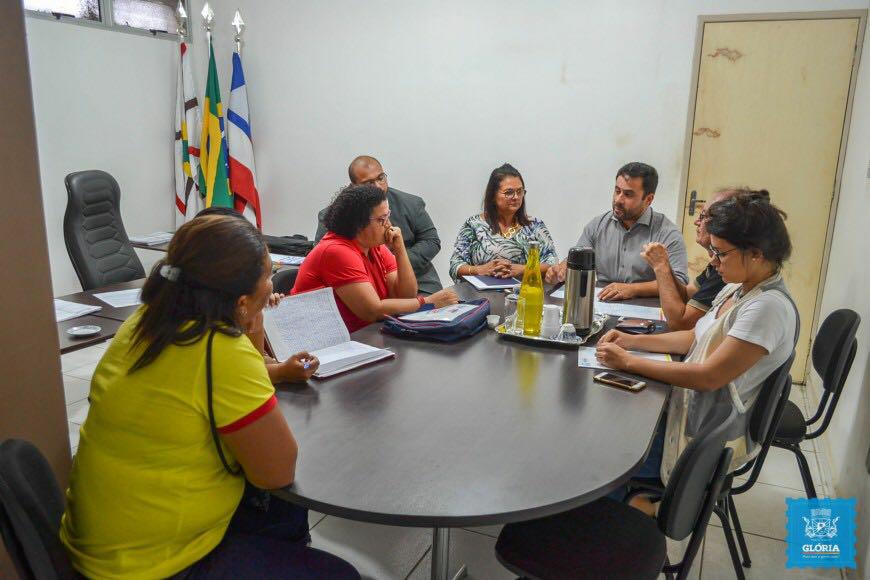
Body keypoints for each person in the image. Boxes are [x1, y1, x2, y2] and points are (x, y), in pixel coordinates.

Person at [60, 215, 359, 579]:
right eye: (267, 275)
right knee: (334, 568)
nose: (273, 284)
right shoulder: (219, 350)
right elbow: (276, 472)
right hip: (152, 566)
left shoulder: (142, 325)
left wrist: (253, 320)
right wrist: (251, 326)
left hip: (100, 546)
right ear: (241, 299)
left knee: (276, 514)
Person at [595, 193, 798, 508]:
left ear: (756, 254)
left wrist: (630, 362)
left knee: (604, 454)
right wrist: (630, 341)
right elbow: (693, 337)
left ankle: (615, 524)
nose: (713, 262)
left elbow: (707, 376)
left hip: (702, 438)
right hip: (692, 413)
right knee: (611, 416)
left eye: (720, 253)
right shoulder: (737, 287)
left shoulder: (767, 308)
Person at [296, 184, 458, 332]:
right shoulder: (337, 251)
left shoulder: (374, 245)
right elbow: (371, 311)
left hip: (362, 334)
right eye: (382, 220)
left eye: (388, 216)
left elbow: (406, 295)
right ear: (358, 224)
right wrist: (427, 302)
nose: (389, 225)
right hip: (319, 342)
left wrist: (400, 249)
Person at [545, 162, 687, 301]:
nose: (618, 199)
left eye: (628, 194)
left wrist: (633, 289)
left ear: (648, 199)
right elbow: (577, 259)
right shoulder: (597, 225)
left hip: (647, 308)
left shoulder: (667, 233)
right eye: (617, 191)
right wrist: (562, 269)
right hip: (603, 303)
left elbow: (680, 284)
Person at [315, 155, 443, 294]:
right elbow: (326, 258)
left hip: (419, 282)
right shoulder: (333, 215)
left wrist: (397, 263)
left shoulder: (411, 203)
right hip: (361, 283)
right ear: (353, 186)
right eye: (369, 183)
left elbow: (431, 241)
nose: (378, 186)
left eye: (380, 178)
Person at [640, 188, 763, 330]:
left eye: (703, 216)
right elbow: (687, 294)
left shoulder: (731, 269)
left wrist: (661, 267)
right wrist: (666, 265)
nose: (696, 222)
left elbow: (681, 324)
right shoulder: (720, 261)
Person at [449, 163, 558, 281]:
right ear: (493, 195)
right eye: (509, 192)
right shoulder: (474, 225)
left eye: (520, 191)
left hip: (523, 293)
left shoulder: (535, 226)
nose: (516, 197)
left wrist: (524, 269)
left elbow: (552, 264)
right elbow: (456, 265)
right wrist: (480, 270)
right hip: (480, 294)